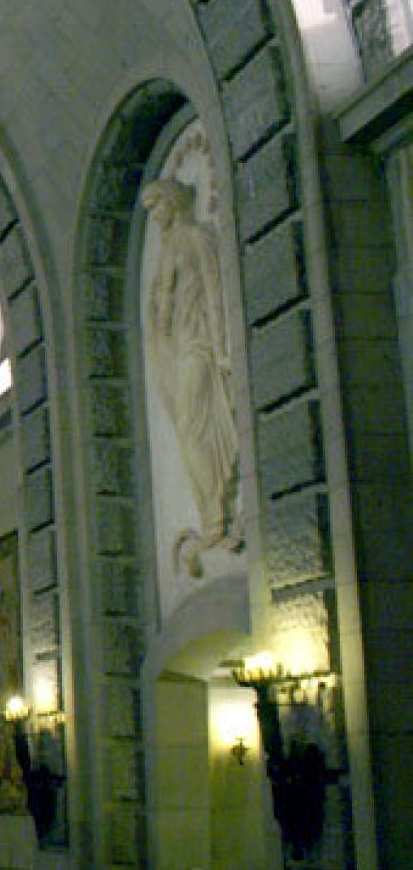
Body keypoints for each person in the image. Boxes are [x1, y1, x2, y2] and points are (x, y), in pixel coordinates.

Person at [141, 179, 243, 578]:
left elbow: (216, 295)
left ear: (172, 202)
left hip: (199, 347)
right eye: (149, 210)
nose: (154, 215)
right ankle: (211, 518)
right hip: (177, 351)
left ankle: (217, 517)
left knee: (194, 426)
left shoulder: (196, 238)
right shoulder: (166, 250)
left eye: (157, 206)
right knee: (187, 432)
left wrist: (221, 350)